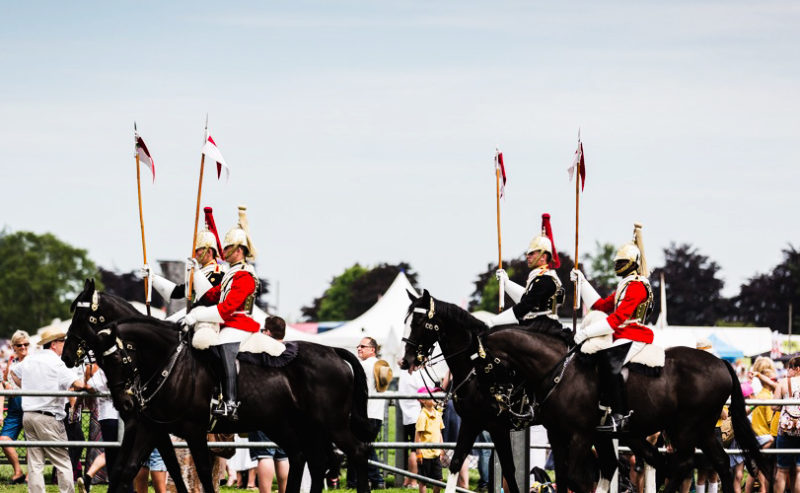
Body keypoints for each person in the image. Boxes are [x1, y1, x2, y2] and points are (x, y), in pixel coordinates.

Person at [571, 223, 654, 432]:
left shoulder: (636, 285)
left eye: (622, 262)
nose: (618, 264)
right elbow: (600, 306)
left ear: (633, 263)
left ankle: (620, 415)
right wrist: (582, 283)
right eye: (618, 261)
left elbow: (616, 319)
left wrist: (586, 332)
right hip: (622, 333)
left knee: (609, 362)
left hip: (634, 334)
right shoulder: (626, 284)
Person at [184, 205, 261, 420]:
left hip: (240, 324)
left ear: (239, 250)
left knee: (223, 346)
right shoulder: (231, 273)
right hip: (229, 322)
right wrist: (195, 273)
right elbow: (211, 296)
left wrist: (197, 316)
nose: (222, 251)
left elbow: (226, 310)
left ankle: (230, 403)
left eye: (227, 248)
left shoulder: (245, 275)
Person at [11, 327, 88, 493]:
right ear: (54, 344)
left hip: (29, 416)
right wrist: (89, 386)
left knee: (35, 462)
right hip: (48, 416)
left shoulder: (30, 360)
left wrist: (25, 388)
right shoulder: (57, 363)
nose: (64, 346)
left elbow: (14, 372)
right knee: (62, 460)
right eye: (63, 342)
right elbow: (78, 384)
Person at [488, 213, 564, 330]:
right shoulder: (540, 277)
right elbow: (526, 297)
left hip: (543, 326)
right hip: (535, 322)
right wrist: (505, 283)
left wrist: (492, 322)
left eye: (532, 253)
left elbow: (525, 306)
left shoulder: (546, 280)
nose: (527, 256)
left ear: (543, 257)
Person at [251, 316, 290, 493]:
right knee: (283, 455)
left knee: (264, 453)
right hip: (287, 409)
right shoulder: (291, 351)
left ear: (267, 332)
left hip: (265, 406)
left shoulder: (263, 349)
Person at [347, 337, 386, 489]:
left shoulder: (361, 366)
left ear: (372, 349)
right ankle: (372, 479)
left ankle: (363, 479)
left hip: (363, 414)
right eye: (358, 346)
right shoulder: (383, 365)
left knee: (357, 447)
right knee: (365, 446)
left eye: (362, 346)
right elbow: (382, 388)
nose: (359, 348)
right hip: (377, 414)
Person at [77, 365, 119, 493]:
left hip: (105, 415)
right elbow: (89, 386)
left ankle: (89, 478)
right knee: (117, 453)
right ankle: (89, 478)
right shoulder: (108, 368)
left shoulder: (98, 369)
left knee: (112, 452)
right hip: (116, 415)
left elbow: (88, 385)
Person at [0, 330, 30, 484]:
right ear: (13, 347)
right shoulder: (10, 363)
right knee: (4, 439)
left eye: (26, 344)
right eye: (20, 345)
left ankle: (31, 475)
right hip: (14, 407)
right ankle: (18, 472)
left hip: (31, 406)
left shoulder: (34, 362)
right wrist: (6, 384)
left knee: (32, 443)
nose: (23, 347)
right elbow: (4, 383)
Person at [772, 356, 800, 493]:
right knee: (799, 470)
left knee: (782, 470)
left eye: (789, 368)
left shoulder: (783, 382)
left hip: (785, 429)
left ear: (797, 369)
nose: (787, 371)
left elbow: (774, 406)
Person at [415, 387, 445, 493]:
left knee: (439, 480)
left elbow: (439, 432)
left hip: (436, 454)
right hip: (425, 454)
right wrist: (418, 453)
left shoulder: (438, 414)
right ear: (423, 400)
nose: (435, 397)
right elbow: (418, 436)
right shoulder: (422, 416)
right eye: (431, 395)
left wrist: (441, 448)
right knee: (423, 481)